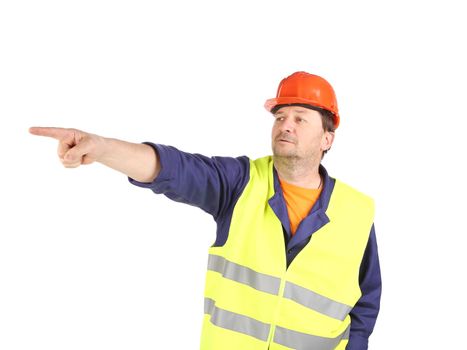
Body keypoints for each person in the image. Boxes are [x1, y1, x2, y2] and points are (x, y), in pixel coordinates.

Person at [30, 71, 381, 350]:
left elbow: (365, 301)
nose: (285, 125)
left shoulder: (357, 210)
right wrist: (103, 148)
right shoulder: (240, 183)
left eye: (300, 118)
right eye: (280, 116)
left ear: (327, 138)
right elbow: (175, 169)